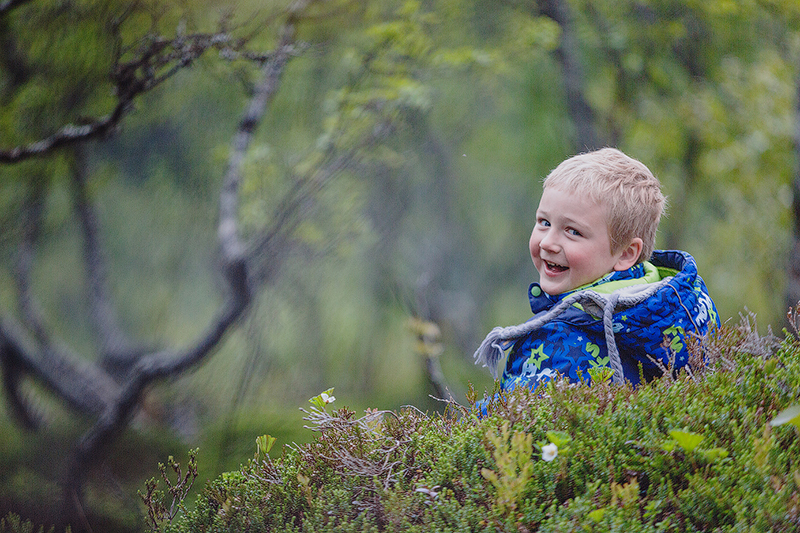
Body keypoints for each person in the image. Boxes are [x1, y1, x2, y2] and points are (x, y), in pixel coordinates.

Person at [473, 148, 719, 395]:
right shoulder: (684, 308)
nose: (547, 242)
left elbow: (511, 422)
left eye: (573, 231)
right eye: (544, 222)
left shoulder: (557, 344)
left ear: (626, 253)